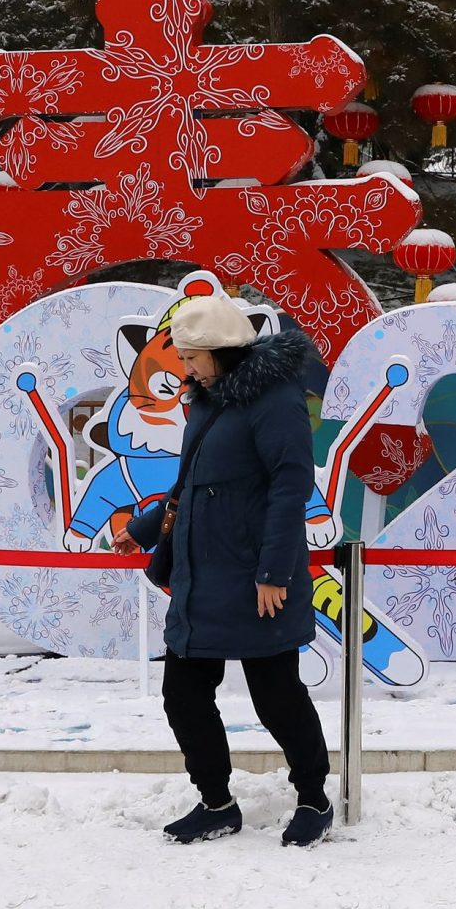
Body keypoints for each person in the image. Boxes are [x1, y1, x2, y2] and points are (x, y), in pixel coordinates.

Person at [127, 294, 335, 847]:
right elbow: (190, 480)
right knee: (184, 694)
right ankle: (216, 802)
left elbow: (292, 485)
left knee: (277, 696)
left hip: (255, 577)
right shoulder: (209, 397)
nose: (185, 367)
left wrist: (273, 573)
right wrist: (146, 529)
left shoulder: (273, 399)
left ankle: (314, 798)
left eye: (193, 357)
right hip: (200, 575)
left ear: (222, 351)